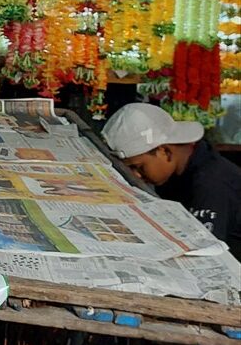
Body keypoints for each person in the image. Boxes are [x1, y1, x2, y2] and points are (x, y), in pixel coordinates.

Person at [102, 103, 241, 259]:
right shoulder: (180, 168)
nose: (136, 176)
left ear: (165, 152)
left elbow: (204, 251)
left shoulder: (210, 186)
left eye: (138, 167)